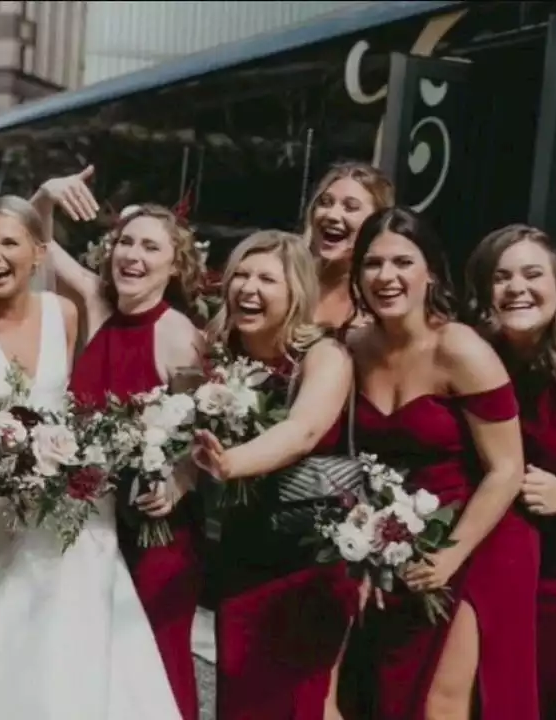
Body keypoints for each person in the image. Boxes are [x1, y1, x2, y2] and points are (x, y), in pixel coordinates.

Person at [0, 195, 179, 720]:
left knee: (65, 656)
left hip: (63, 523)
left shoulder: (65, 314)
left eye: (8, 243)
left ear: (38, 253)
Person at [347, 207, 536, 718]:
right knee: (385, 694)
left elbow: (506, 468)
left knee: (440, 703)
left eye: (403, 262)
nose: (386, 277)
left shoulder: (461, 349)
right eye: (372, 264)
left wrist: (449, 554)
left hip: (479, 537)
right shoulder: (353, 348)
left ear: (430, 271)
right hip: (398, 541)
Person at [32, 168, 205, 719]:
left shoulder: (179, 334)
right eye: (125, 242)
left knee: (154, 658)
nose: (132, 254)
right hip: (87, 527)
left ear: (174, 264)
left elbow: (204, 429)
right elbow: (34, 241)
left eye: (150, 246)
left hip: (154, 529)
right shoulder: (96, 305)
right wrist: (45, 196)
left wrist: (180, 480)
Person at [190, 230, 359, 719]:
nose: (248, 287)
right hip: (242, 556)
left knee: (298, 704)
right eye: (240, 274)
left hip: (307, 560)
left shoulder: (324, 355)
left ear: (295, 293)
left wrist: (231, 463)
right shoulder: (219, 355)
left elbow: (303, 431)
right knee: (240, 700)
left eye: (266, 278)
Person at [465, 224, 556, 718]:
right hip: (495, 563)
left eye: (532, 274)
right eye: (502, 277)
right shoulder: (479, 360)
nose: (517, 288)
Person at [303, 162, 394, 331]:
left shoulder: (386, 294)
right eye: (325, 202)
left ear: (377, 221)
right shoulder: (290, 280)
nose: (332, 215)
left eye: (350, 207)